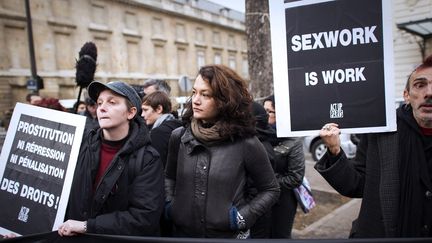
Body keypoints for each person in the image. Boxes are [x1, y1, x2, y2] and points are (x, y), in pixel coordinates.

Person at [315, 54, 432, 237]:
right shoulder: (383, 132)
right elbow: (357, 183)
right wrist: (334, 150)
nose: (429, 92)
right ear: (406, 95)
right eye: (420, 84)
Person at [164, 64, 280, 238]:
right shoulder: (178, 137)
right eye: (194, 92)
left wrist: (242, 218)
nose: (196, 100)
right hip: (182, 235)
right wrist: (171, 207)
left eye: (205, 94)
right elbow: (169, 178)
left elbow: (271, 189)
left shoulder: (246, 142)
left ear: (225, 100)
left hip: (227, 237)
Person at [58, 81, 164, 236]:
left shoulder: (148, 159)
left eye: (112, 102)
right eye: (99, 102)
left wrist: (88, 226)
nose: (102, 107)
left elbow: (144, 217)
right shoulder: (80, 146)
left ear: (131, 112)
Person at [262, 95, 305, 238]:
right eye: (264, 111)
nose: (265, 115)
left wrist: (267, 182)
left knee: (280, 237)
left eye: (270, 112)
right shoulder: (256, 136)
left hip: (282, 201)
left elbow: (296, 178)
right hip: (258, 200)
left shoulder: (293, 140)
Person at [141, 91, 183, 168]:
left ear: (159, 109)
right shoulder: (178, 125)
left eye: (145, 110)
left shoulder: (158, 133)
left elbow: (157, 166)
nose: (142, 115)